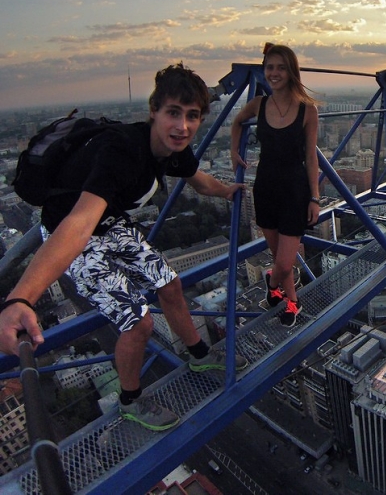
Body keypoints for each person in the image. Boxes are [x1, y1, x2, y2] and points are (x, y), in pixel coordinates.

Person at [0, 63, 249, 432]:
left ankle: (198, 355)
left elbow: (199, 181)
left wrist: (229, 190)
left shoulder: (173, 149)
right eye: (173, 113)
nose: (182, 126)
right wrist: (21, 298)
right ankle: (131, 400)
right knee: (138, 322)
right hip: (72, 229)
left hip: (111, 224)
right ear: (154, 111)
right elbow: (79, 224)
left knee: (170, 284)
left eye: (192, 116)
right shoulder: (121, 150)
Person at [230, 43, 320, 327]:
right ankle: (292, 302)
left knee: (282, 263)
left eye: (281, 67)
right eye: (269, 67)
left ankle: (273, 283)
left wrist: (315, 198)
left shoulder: (308, 110)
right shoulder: (258, 105)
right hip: (265, 189)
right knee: (277, 255)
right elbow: (236, 121)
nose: (274, 73)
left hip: (295, 192)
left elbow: (310, 155)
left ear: (292, 71)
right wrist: (234, 150)